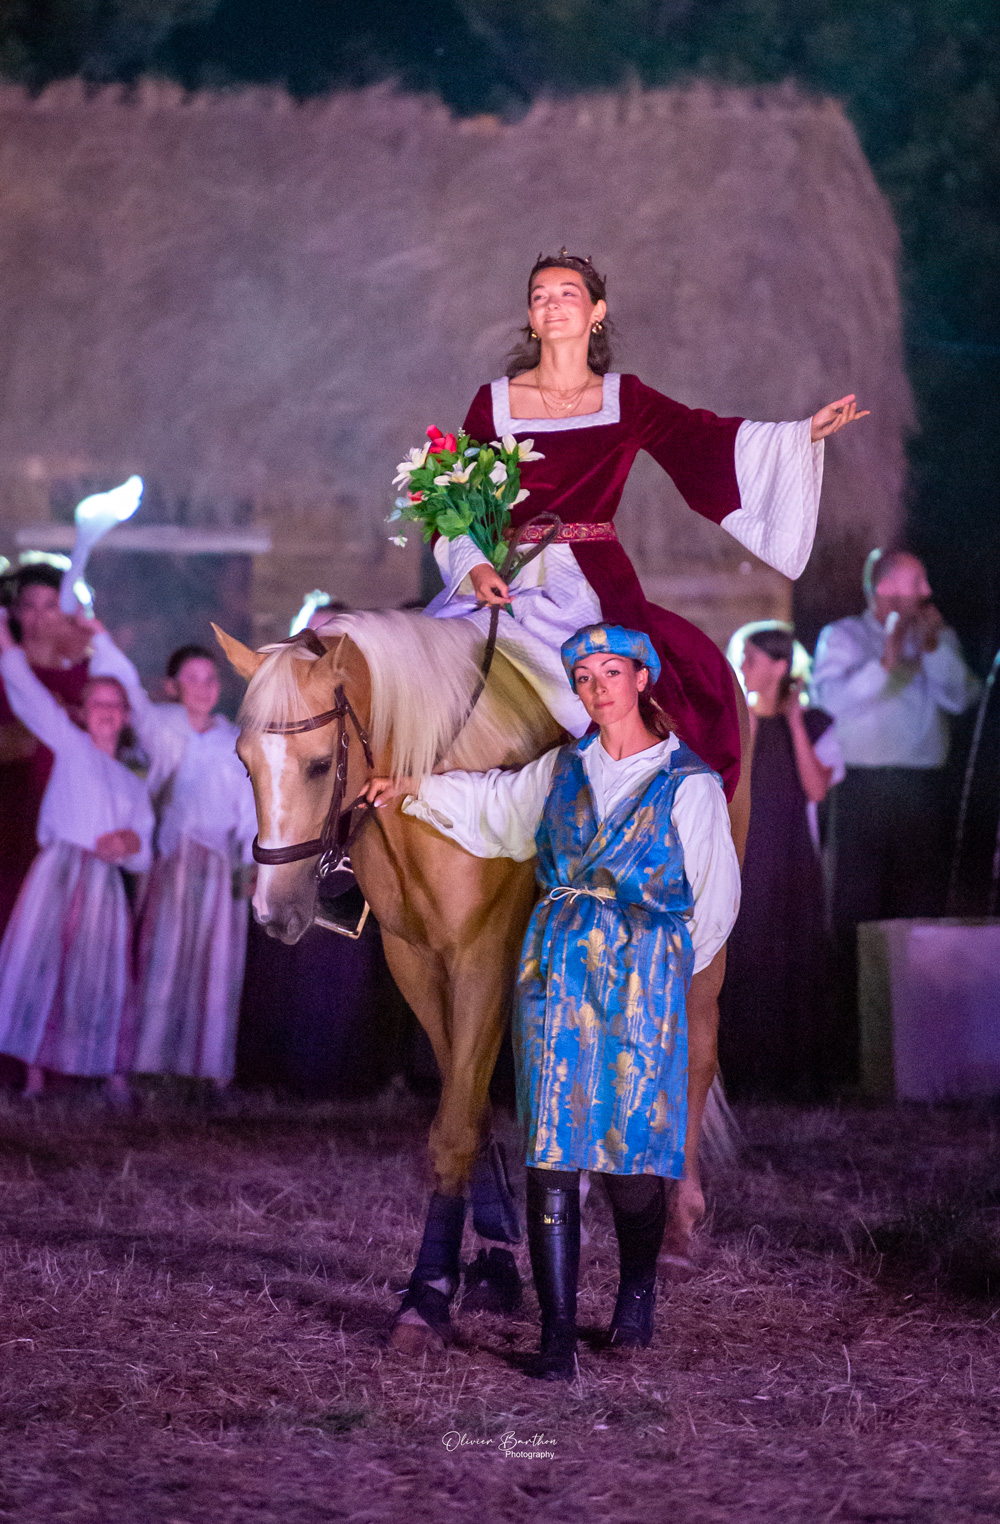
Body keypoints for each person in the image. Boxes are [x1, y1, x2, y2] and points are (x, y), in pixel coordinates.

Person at [365, 623, 741, 1381]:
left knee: (629, 1162)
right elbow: (496, 804)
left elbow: (715, 898)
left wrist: (663, 981)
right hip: (559, 971)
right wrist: (412, 788)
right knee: (552, 1150)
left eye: (612, 672)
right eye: (586, 677)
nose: (599, 688)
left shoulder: (689, 784)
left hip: (640, 977)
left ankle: (636, 1292)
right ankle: (557, 1337)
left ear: (641, 678)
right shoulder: (561, 769)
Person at [426, 247, 868, 803]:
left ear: (596, 312)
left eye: (567, 294)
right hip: (506, 575)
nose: (552, 305)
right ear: (531, 318)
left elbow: (703, 440)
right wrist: (476, 566)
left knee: (627, 697)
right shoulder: (493, 402)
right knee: (428, 673)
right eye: (540, 297)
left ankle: (623, 815)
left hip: (591, 579)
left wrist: (800, 435)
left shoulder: (625, 399)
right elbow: (454, 498)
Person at [812, 550, 980, 1074]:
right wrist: (885, 658)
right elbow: (829, 701)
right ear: (884, 589)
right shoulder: (843, 636)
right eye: (917, 582)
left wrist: (933, 649)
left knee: (920, 913)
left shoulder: (936, 635)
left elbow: (964, 698)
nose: (927, 592)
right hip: (861, 790)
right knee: (855, 912)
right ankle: (850, 1051)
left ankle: (921, 1050)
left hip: (923, 790)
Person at [88, 627, 257, 1087]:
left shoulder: (233, 742)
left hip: (220, 866)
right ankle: (147, 1064)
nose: (202, 688)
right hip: (174, 858)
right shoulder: (161, 725)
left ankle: (206, 1071)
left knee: (215, 968)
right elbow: (130, 693)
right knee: (162, 959)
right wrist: (101, 639)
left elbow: (248, 809)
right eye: (192, 679)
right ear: (172, 686)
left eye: (210, 679)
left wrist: (250, 862)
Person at [0, 609, 153, 1099]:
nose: (106, 712)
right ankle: (34, 1073)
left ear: (124, 716)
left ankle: (108, 1071)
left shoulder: (133, 783)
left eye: (115, 705)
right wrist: (5, 641)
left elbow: (143, 847)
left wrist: (128, 844)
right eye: (97, 703)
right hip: (59, 874)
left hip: (102, 884)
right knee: (42, 963)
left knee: (100, 973)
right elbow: (29, 696)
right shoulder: (69, 746)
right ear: (83, 713)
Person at [718, 622, 844, 1100]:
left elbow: (816, 788)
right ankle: (745, 1074)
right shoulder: (733, 723)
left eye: (750, 659)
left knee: (795, 956)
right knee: (745, 953)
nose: (742, 667)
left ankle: (797, 1078)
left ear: (779, 666)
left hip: (794, 861)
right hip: (745, 856)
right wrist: (749, 726)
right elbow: (733, 787)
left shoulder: (817, 723)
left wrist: (792, 722)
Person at [0, 564, 89, 934]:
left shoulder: (88, 675)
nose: (39, 618)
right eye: (30, 606)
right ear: (15, 612)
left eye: (50, 606)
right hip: (12, 816)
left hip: (74, 822)